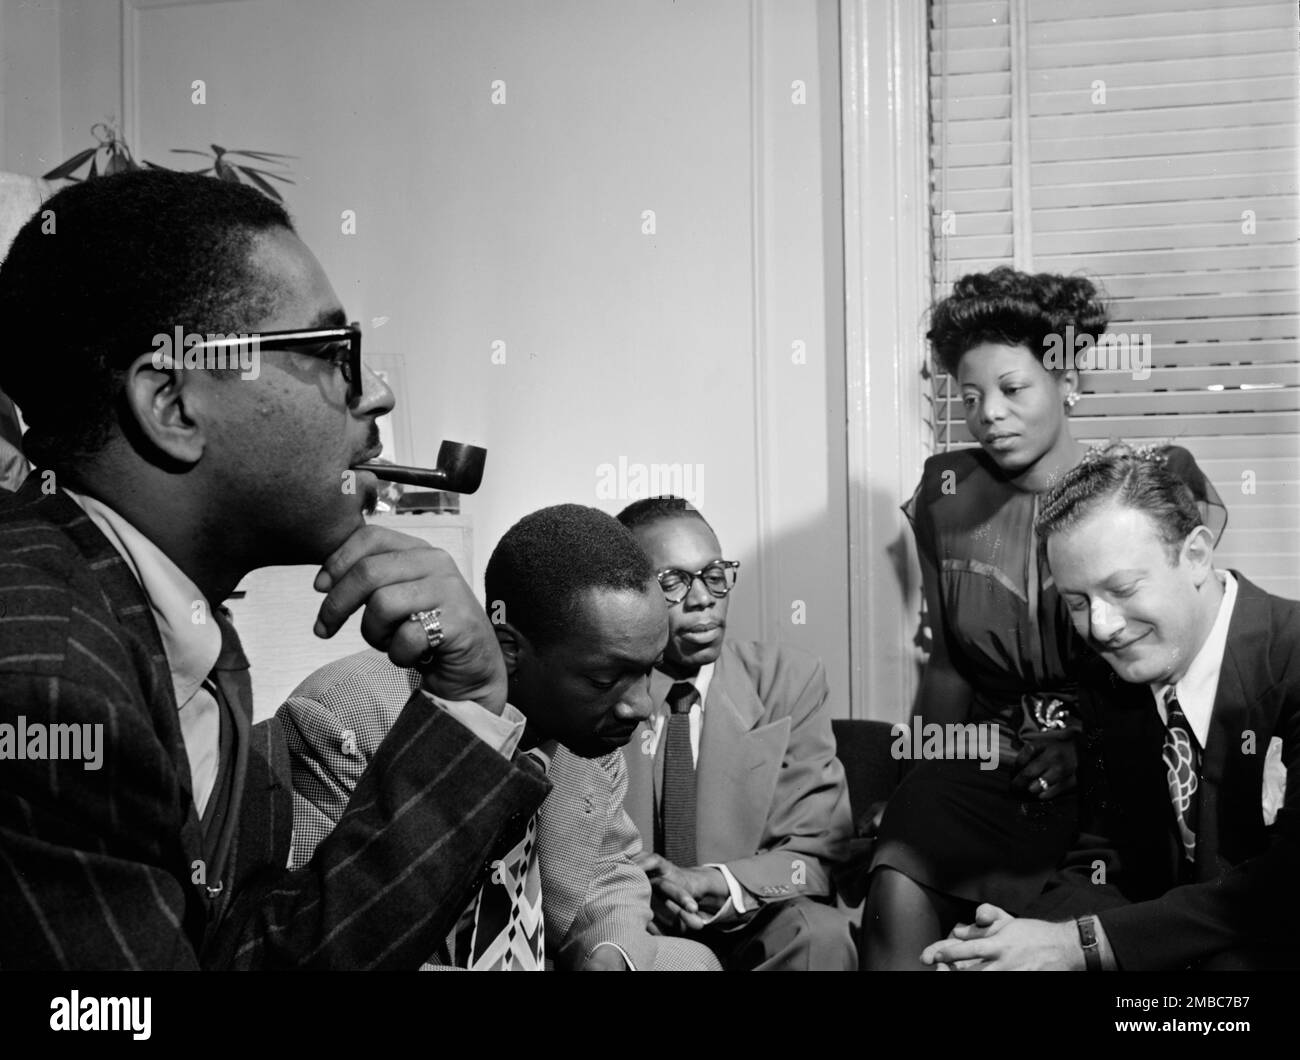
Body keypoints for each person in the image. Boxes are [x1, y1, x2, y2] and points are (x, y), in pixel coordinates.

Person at [0, 170, 548, 969]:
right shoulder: (45, 678)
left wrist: (463, 707)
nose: (380, 394)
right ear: (175, 406)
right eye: (333, 352)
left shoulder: (189, 642)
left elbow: (253, 958)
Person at [862, 268, 1226, 969]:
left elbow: (1188, 663)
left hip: (1123, 761)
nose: (988, 414)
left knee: (1097, 920)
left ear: (1069, 384)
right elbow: (945, 666)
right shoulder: (947, 498)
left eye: (1011, 389)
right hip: (994, 760)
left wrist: (1086, 743)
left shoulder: (1146, 488)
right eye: (969, 397)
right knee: (899, 862)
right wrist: (905, 783)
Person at [284, 504, 720, 970]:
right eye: (604, 679)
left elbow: (609, 869)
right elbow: (326, 941)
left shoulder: (590, 736)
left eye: (647, 671)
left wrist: (608, 953)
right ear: (510, 647)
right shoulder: (346, 716)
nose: (641, 706)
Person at [922, 444, 1298, 970]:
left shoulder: (1294, 659)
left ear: (1195, 555)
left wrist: (1077, 945)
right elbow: (1108, 858)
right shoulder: (1108, 677)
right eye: (1077, 602)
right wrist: (1008, 948)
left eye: (1122, 588)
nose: (1101, 626)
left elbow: (1287, 888)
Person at [615, 496, 857, 970]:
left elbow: (813, 857)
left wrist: (716, 881)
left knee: (821, 936)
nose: (703, 598)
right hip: (632, 926)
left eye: (714, 574)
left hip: (750, 922)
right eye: (673, 582)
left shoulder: (789, 681)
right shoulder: (597, 696)